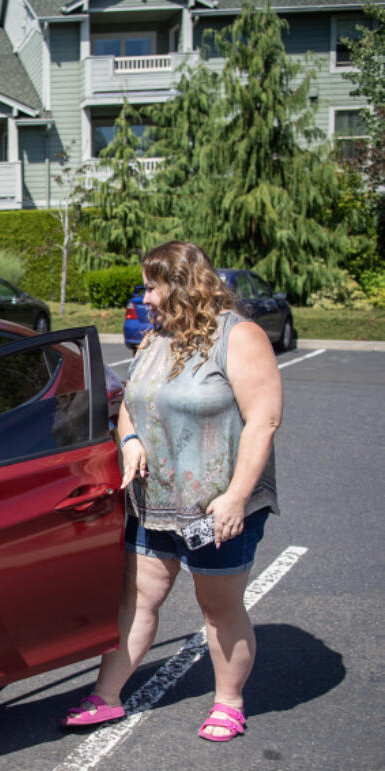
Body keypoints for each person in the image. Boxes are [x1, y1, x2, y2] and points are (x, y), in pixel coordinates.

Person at [61, 241, 283, 742]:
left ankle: (229, 702)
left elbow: (263, 422)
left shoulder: (240, 337)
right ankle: (107, 696)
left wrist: (235, 498)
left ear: (182, 285)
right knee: (137, 600)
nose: (146, 297)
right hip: (154, 501)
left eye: (152, 286)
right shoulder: (156, 339)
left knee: (217, 608)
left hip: (215, 504)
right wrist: (132, 437)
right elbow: (131, 402)